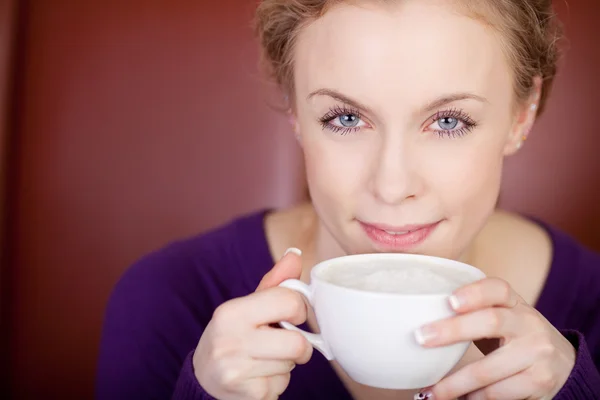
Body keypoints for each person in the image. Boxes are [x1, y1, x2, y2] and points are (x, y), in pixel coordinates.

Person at [96, 0, 600, 399]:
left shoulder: (593, 309)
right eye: (346, 119)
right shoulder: (170, 301)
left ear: (523, 112)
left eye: (449, 121)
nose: (391, 184)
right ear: (295, 110)